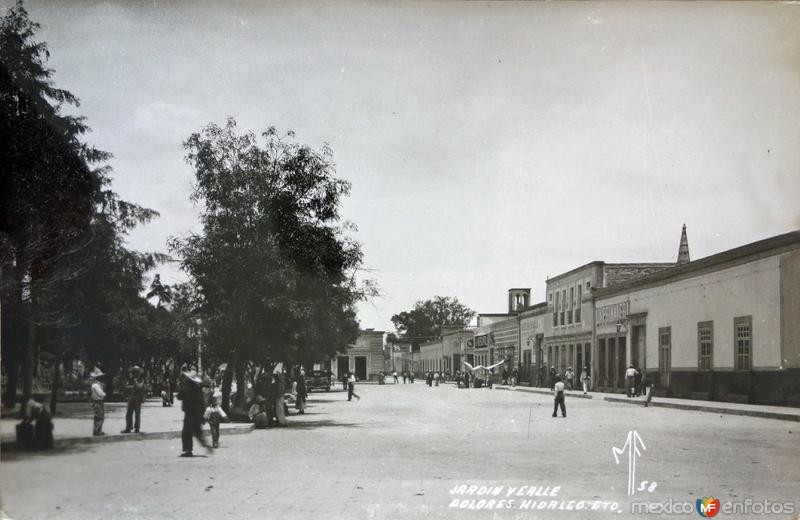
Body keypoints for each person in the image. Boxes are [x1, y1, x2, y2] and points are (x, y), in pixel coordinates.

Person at [178, 370, 211, 457]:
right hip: (197, 411)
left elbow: (179, 395)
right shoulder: (198, 387)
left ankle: (188, 450)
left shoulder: (186, 387)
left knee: (186, 432)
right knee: (197, 431)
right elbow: (202, 401)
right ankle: (206, 445)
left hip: (189, 412)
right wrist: (203, 414)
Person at [121, 366, 146, 434]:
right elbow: (126, 387)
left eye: (136, 372)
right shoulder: (131, 379)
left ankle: (137, 428)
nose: (135, 373)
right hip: (131, 397)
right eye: (134, 372)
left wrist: (134, 383)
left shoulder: (141, 379)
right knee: (128, 413)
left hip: (138, 398)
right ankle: (128, 427)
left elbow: (139, 387)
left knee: (137, 414)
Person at [89, 367, 106, 436]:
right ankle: (97, 431)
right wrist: (104, 394)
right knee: (99, 416)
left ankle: (98, 430)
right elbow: (101, 393)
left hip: (97, 401)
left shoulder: (96, 385)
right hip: (98, 401)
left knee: (99, 416)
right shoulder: (96, 385)